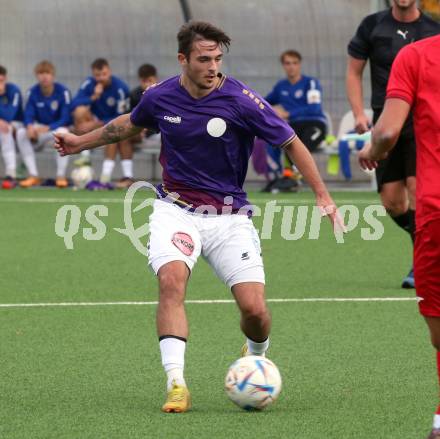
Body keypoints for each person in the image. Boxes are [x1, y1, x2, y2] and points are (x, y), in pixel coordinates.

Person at [53, 21, 342, 413]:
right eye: (204, 59)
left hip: (230, 216)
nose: (212, 67)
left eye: (218, 58)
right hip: (175, 209)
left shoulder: (241, 100)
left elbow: (290, 141)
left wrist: (322, 195)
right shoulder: (161, 97)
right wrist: (78, 141)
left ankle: (256, 352)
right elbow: (127, 124)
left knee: (255, 311)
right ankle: (176, 384)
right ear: (183, 59)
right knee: (171, 282)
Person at [358, 33, 440, 439]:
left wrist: (373, 151)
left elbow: (388, 132)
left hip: (436, 214)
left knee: (439, 328)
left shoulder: (416, 56)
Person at [346, 0, 440, 288]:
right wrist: (359, 112)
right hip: (386, 119)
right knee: (392, 201)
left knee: (418, 189)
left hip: (422, 121)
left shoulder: (432, 28)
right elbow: (353, 72)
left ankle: (422, 261)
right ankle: (423, 246)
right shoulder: (372, 26)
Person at [263, 49, 327, 193]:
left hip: (314, 124)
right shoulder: (281, 87)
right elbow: (263, 103)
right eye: (287, 63)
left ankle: (293, 178)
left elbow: (314, 108)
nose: (291, 66)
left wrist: (287, 113)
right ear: (283, 66)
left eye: (294, 63)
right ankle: (278, 178)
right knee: (270, 138)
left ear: (299, 65)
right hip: (291, 126)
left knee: (300, 145)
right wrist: (271, 111)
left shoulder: (311, 83)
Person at [72, 58, 131, 188]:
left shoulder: (120, 88)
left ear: (109, 71)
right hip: (92, 122)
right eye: (97, 75)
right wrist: (94, 96)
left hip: (112, 124)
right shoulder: (89, 83)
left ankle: (105, 178)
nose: (101, 78)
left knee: (116, 131)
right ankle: (85, 157)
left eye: (104, 74)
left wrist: (97, 124)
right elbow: (74, 103)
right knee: (79, 111)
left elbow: (122, 117)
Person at [16, 60, 72, 188]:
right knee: (21, 133)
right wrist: (29, 126)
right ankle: (33, 175)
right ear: (36, 75)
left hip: (55, 129)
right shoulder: (32, 92)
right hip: (39, 131)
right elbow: (28, 114)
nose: (44, 76)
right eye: (41, 73)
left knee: (63, 133)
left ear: (53, 75)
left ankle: (60, 176)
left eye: (47, 73)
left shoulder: (63, 92)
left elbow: (66, 117)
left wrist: (49, 127)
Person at [0, 65, 23, 189]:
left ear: (5, 78)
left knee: (5, 130)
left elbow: (9, 116)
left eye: (1, 81)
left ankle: (11, 174)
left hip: (16, 124)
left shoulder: (14, 90)